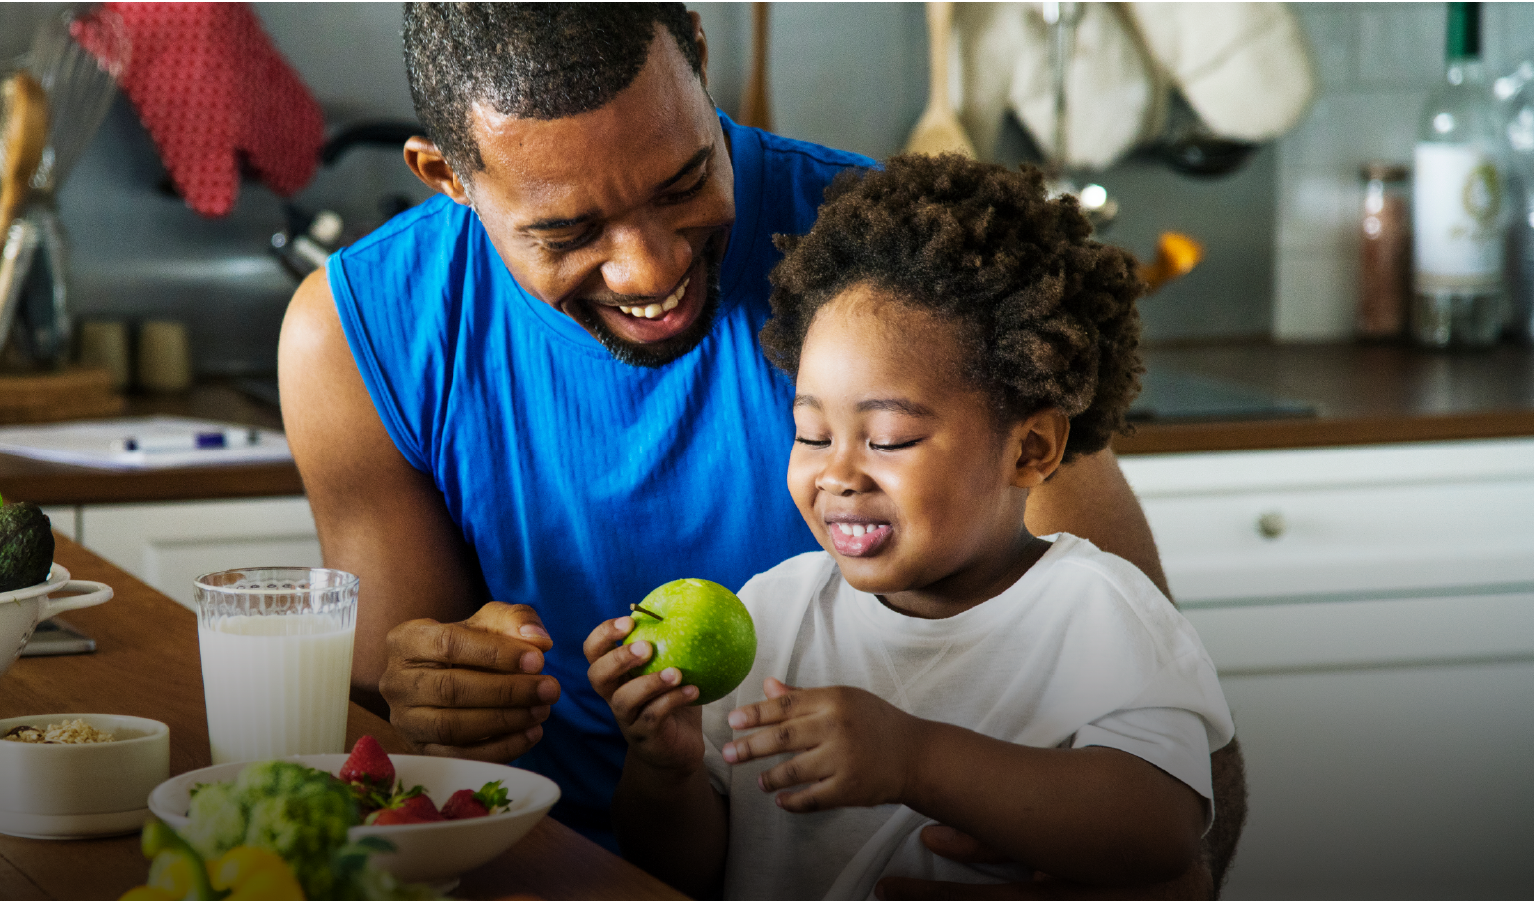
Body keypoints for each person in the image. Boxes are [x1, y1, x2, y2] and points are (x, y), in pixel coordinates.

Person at [278, 4, 1247, 896]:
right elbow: (384, 749)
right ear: (446, 176)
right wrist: (438, 698)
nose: (650, 267)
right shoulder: (360, 330)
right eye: (567, 229)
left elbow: (1182, 775)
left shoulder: (902, 280)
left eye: (685, 179)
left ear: (700, 58)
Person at [584, 153, 1236, 901]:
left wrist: (913, 758)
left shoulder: (1100, 613)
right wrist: (663, 769)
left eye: (887, 438)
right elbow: (681, 872)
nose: (836, 474)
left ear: (1028, 448)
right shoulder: (773, 613)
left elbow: (1159, 831)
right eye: (810, 433)